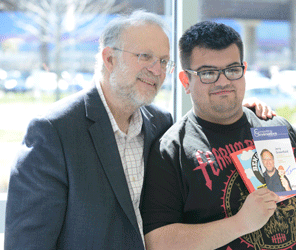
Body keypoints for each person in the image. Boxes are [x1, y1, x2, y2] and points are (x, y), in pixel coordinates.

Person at [4, 11, 274, 250]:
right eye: (145, 56)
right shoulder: (53, 131)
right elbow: (28, 243)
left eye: (164, 61)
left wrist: (242, 110)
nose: (156, 70)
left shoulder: (161, 124)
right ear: (109, 58)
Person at [140, 21, 296, 250]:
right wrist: (240, 224)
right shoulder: (172, 150)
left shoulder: (276, 126)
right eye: (208, 73)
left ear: (244, 70)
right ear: (186, 81)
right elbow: (158, 242)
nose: (224, 81)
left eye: (232, 70)